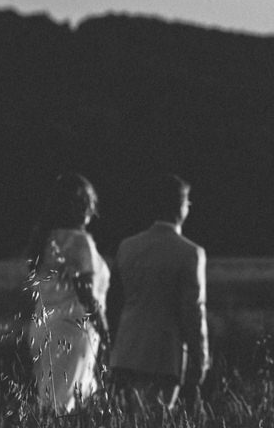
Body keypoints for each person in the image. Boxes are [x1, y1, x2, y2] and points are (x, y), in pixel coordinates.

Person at [108, 174, 210, 412]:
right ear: (180, 206)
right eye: (188, 202)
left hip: (126, 350)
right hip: (163, 355)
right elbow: (193, 309)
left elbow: (114, 300)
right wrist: (200, 356)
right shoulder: (190, 253)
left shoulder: (127, 247)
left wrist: (112, 345)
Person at [25, 172, 110, 413]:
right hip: (73, 330)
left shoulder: (44, 239)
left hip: (43, 327)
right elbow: (86, 293)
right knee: (63, 408)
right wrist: (105, 331)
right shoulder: (78, 241)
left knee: (53, 402)